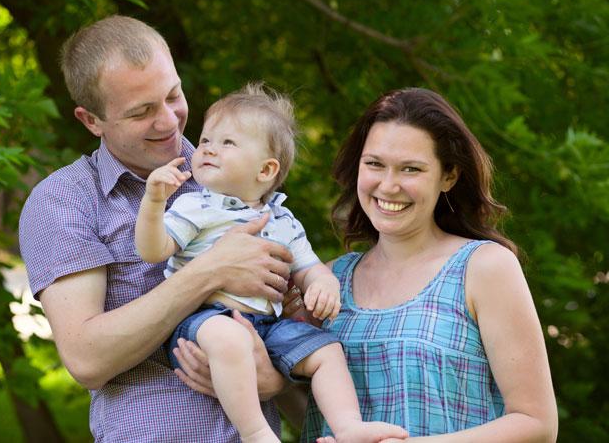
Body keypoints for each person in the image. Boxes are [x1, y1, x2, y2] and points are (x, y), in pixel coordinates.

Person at [177, 87, 558, 442]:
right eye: (375, 164)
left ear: (449, 176)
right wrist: (275, 387)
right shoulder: (326, 281)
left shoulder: (484, 267)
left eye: (411, 169)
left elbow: (537, 424)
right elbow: (318, 418)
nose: (388, 185)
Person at [18, 15, 297, 442]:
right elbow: (87, 359)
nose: (168, 121)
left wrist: (275, 378)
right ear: (91, 120)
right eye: (142, 111)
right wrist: (209, 272)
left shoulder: (240, 170)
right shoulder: (65, 200)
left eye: (173, 95)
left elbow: (293, 323)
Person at [135, 83, 408, 443]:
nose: (208, 149)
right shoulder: (196, 206)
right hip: (205, 320)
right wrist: (153, 203)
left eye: (227, 143)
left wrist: (322, 284)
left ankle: (347, 427)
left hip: (269, 324)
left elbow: (308, 266)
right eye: (204, 141)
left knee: (327, 350)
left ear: (265, 170)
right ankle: (256, 433)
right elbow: (154, 250)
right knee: (230, 338)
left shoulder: (282, 219)